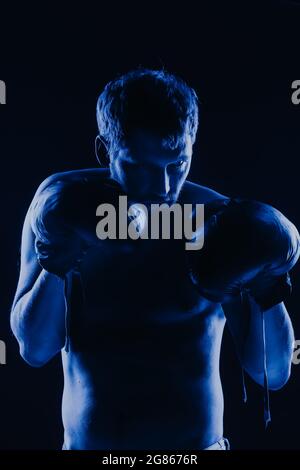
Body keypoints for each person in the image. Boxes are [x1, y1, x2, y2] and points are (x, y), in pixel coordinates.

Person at [10, 69, 300, 450]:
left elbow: (273, 373)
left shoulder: (211, 219)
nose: (163, 188)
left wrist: (267, 288)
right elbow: (34, 350)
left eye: (177, 164)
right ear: (104, 151)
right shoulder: (60, 206)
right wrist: (56, 264)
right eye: (141, 167)